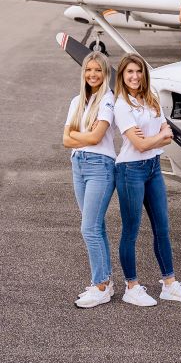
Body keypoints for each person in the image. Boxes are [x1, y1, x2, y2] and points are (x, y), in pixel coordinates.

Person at [113, 53, 181, 307]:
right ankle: (132, 286)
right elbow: (139, 144)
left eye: (138, 71)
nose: (135, 76)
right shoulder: (122, 105)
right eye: (129, 72)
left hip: (153, 169)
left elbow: (168, 132)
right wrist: (156, 139)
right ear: (122, 75)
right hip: (130, 171)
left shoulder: (151, 99)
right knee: (131, 231)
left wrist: (156, 139)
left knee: (162, 228)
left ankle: (169, 285)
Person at [62, 52, 117, 309]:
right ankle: (105, 281)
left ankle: (100, 286)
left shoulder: (108, 100)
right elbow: (65, 139)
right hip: (78, 165)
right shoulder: (77, 101)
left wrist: (80, 137)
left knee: (89, 228)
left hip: (100, 167)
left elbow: (97, 138)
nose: (92, 75)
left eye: (98, 70)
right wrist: (84, 137)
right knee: (96, 226)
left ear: (105, 74)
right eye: (88, 70)